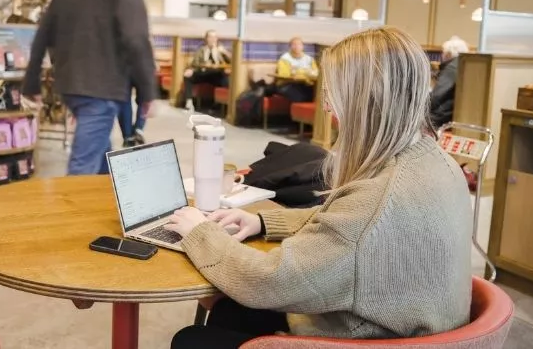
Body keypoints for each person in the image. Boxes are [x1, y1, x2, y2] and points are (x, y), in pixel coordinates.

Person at [165, 27, 472, 348]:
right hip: (408, 326)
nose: (327, 109)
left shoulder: (377, 200)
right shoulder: (436, 160)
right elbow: (349, 220)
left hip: (371, 338)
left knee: (193, 340)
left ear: (364, 100)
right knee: (230, 311)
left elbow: (267, 282)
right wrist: (263, 221)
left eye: (333, 95)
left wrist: (200, 232)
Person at [23, 0, 156, 175]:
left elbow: (42, 34)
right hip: (102, 89)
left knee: (102, 154)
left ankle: (113, 206)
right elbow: (136, 38)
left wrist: (32, 83)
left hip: (71, 86)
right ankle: (74, 214)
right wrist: (147, 91)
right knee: (82, 167)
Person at [183, 30, 231, 111]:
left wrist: (224, 52)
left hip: (216, 74)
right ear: (206, 39)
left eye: (214, 37)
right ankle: (189, 102)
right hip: (203, 73)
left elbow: (232, 61)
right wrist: (191, 69)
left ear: (217, 39)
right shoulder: (201, 49)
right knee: (188, 76)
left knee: (226, 78)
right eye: (210, 37)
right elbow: (195, 63)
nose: (212, 39)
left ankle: (221, 106)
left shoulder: (220, 50)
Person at [430, 36, 468, 128]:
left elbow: (436, 96)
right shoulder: (464, 65)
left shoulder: (451, 68)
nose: (442, 56)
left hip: (440, 117)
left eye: (443, 53)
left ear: (448, 54)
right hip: (452, 115)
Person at [272, 36, 318, 103]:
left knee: (316, 94)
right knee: (299, 97)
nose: (297, 47)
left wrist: (299, 72)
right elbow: (285, 75)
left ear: (303, 46)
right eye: (294, 44)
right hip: (287, 85)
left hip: (305, 84)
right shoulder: (284, 59)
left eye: (299, 44)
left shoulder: (309, 59)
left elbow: (316, 73)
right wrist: (305, 73)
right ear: (290, 47)